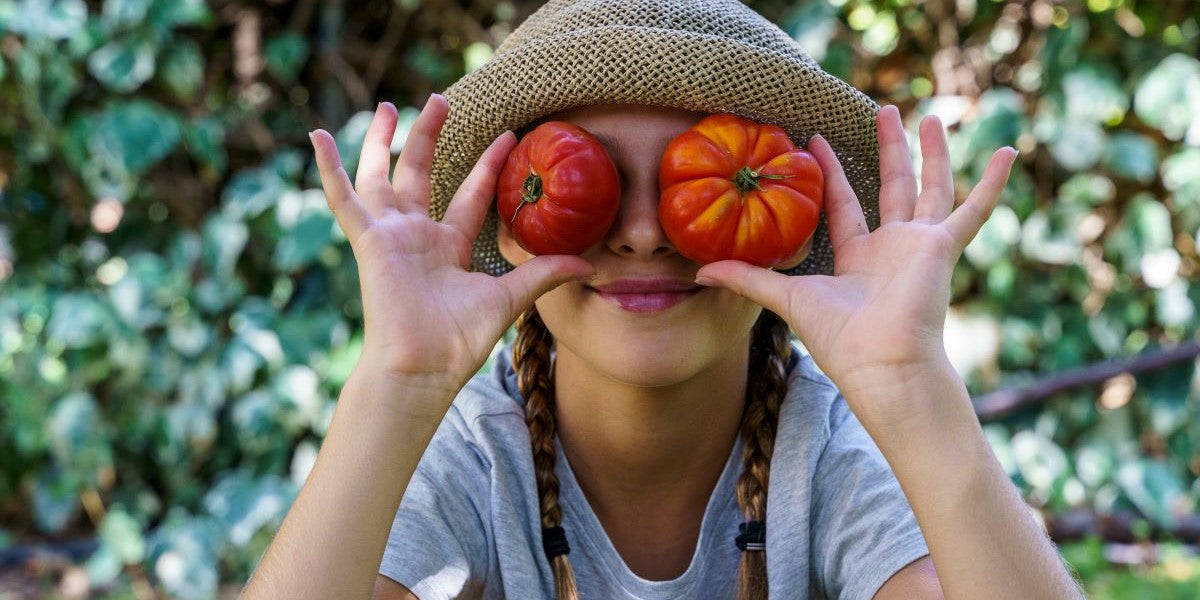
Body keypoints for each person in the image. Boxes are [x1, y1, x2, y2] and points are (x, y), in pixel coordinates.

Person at [243, 0, 1085, 598]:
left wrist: (912, 383)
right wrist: (397, 380)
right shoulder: (473, 464)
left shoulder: (825, 459)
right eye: (595, 181)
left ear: (789, 234)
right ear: (510, 228)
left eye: (706, 179)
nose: (646, 235)